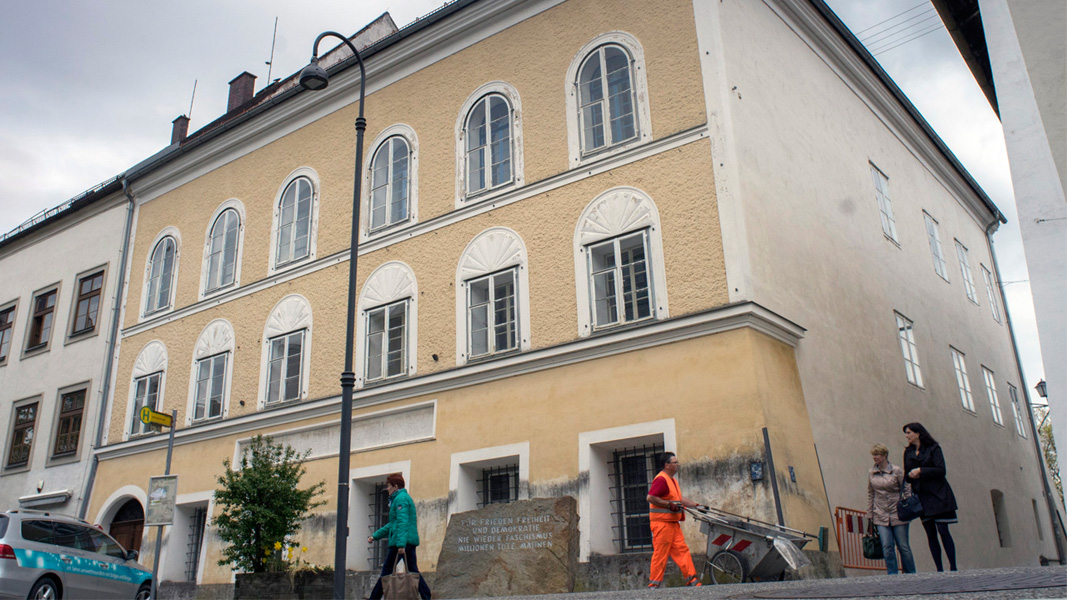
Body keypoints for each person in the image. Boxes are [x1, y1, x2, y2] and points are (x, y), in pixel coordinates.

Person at [903, 422, 958, 572]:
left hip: (938, 494)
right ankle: (939, 569)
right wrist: (910, 475)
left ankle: (953, 566)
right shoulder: (908, 452)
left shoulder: (934, 448)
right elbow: (906, 474)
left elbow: (941, 470)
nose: (906, 436)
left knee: (943, 529)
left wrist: (921, 470)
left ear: (918, 433)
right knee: (930, 533)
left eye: (908, 433)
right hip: (922, 496)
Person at [367, 473, 432, 600]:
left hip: (401, 543)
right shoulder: (400, 499)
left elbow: (403, 522)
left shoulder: (401, 499)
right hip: (406, 541)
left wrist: (401, 544)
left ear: (395, 486)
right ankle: (426, 596)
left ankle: (373, 598)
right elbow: (393, 524)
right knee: (413, 571)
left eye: (389, 486)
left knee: (386, 571)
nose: (387, 489)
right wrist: (375, 536)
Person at [645, 451, 703, 588]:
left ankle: (693, 581)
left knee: (682, 550)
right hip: (662, 524)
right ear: (667, 465)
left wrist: (696, 505)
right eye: (675, 462)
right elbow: (650, 497)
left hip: (671, 523)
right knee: (661, 554)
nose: (677, 465)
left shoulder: (672, 481)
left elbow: (679, 499)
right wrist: (669, 505)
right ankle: (653, 584)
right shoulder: (661, 479)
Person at [867, 443, 916, 574]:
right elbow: (871, 493)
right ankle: (892, 574)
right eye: (873, 455)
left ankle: (911, 573)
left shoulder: (896, 471)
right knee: (887, 546)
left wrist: (909, 504)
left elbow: (906, 488)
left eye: (876, 454)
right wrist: (870, 513)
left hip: (897, 513)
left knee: (903, 546)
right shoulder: (872, 473)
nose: (874, 457)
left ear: (884, 455)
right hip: (880, 513)